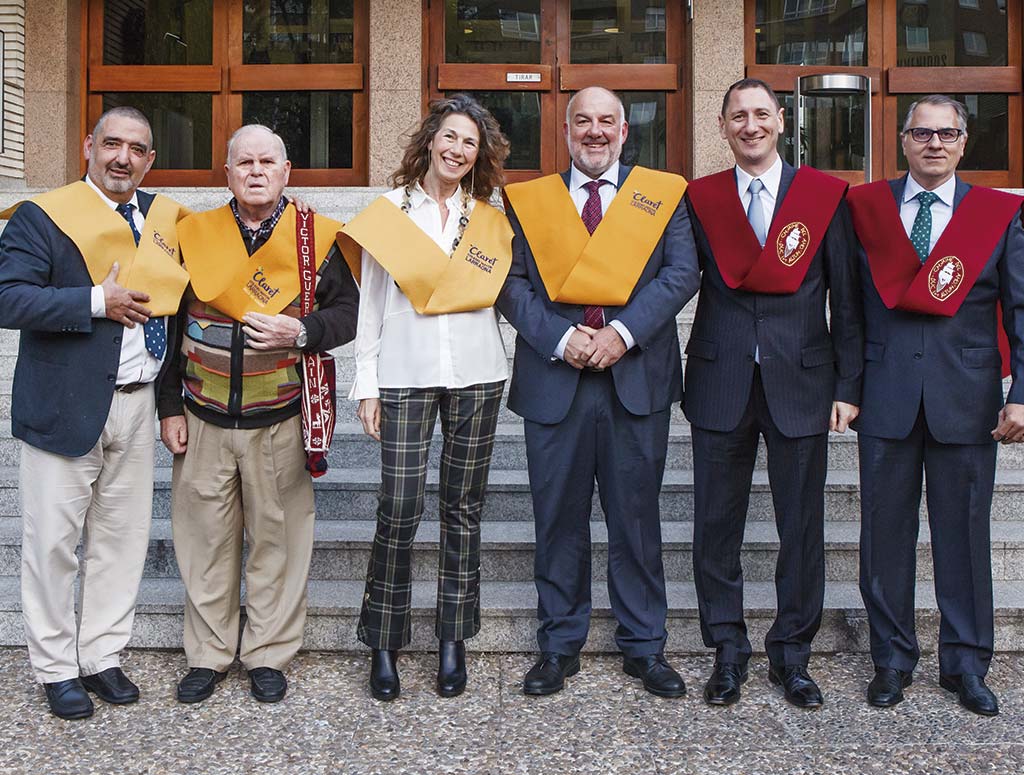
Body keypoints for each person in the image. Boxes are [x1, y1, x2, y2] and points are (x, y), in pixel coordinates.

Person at [497, 86, 700, 698]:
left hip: (634, 380)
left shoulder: (662, 196)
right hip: (556, 379)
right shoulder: (529, 203)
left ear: (624, 130)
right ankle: (559, 645)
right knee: (557, 519)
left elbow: (682, 272)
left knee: (635, 519)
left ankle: (644, 647)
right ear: (565, 131)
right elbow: (509, 282)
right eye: (582, 121)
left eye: (606, 121)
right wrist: (563, 339)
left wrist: (622, 332)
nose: (594, 131)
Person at [157, 124, 359, 705]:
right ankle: (210, 654)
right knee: (204, 543)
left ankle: (268, 653)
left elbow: (347, 313)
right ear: (227, 173)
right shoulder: (195, 235)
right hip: (202, 415)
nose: (255, 170)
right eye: (243, 161)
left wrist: (304, 329)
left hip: (281, 416)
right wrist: (169, 406)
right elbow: (170, 326)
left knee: (279, 542)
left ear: (286, 171)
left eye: (266, 161)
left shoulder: (314, 237)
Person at [0, 106, 190, 719]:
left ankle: (102, 655)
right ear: (88, 145)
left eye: (137, 149)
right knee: (53, 545)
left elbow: (173, 314)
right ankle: (56, 669)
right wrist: (94, 300)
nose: (123, 158)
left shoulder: (162, 219)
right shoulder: (43, 216)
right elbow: (7, 296)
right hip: (64, 404)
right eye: (112, 144)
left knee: (121, 540)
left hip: (136, 404)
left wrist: (169, 404)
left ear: (150, 160)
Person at [684, 78, 863, 708]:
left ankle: (792, 653)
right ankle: (727, 650)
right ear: (723, 125)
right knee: (715, 525)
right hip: (720, 378)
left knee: (801, 526)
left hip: (803, 381)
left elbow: (847, 294)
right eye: (738, 116)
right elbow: (678, 274)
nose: (751, 125)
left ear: (781, 121)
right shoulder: (699, 197)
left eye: (761, 114)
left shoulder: (822, 197)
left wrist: (849, 383)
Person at [847, 94, 1024, 716]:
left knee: (965, 539)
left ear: (963, 142)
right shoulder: (867, 209)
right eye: (922, 133)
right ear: (903, 140)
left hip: (968, 400)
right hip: (886, 397)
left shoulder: (997, 216)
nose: (934, 144)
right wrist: (847, 389)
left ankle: (967, 664)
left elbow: (1020, 310)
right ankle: (891, 661)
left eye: (946, 134)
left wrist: (1022, 393)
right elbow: (848, 309)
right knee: (884, 539)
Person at [338, 94, 512, 701]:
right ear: (429, 139)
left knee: (463, 508)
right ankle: (385, 640)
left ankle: (452, 639)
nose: (457, 149)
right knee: (400, 508)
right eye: (450, 137)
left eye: (470, 142)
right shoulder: (389, 211)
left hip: (477, 372)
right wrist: (366, 384)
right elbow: (372, 305)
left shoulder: (488, 218)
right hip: (405, 372)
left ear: (478, 154)